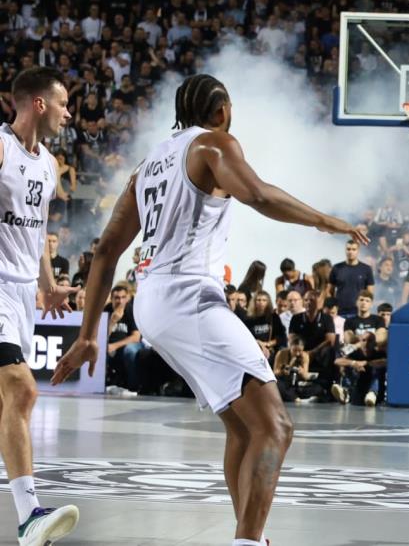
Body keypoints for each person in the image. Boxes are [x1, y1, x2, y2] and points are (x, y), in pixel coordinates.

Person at [53, 74, 368, 546]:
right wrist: (326, 220)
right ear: (221, 111)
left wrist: (87, 334)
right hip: (189, 298)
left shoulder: (150, 164)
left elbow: (105, 252)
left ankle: (250, 538)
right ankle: (247, 542)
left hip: (153, 301)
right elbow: (257, 194)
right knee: (277, 428)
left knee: (243, 429)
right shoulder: (213, 144)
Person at [0, 67, 81, 544]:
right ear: (37, 104)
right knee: (22, 390)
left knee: (11, 399)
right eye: (63, 103)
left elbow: (39, 233)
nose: (68, 112)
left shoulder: (49, 164)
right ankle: (30, 517)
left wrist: (48, 285)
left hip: (23, 291)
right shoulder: (3, 147)